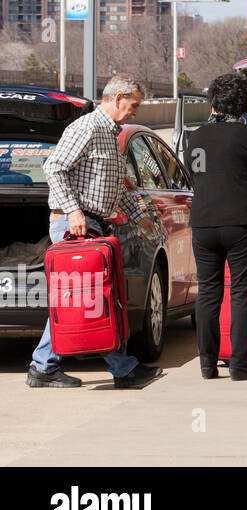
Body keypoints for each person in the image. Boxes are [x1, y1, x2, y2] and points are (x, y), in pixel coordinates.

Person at [26, 74, 163, 390]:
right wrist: (73, 211)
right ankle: (122, 368)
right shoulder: (87, 127)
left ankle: (43, 366)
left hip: (93, 222)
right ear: (118, 99)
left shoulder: (109, 133)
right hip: (76, 223)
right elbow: (54, 167)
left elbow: (113, 188)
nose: (135, 112)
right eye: (134, 105)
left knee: (82, 299)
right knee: (92, 299)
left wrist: (137, 217)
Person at [187, 71, 247, 381]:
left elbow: (195, 176)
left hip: (203, 223)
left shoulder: (194, 138)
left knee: (208, 293)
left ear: (213, 102)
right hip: (242, 222)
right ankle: (240, 363)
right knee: (241, 292)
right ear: (245, 105)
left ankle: (207, 364)